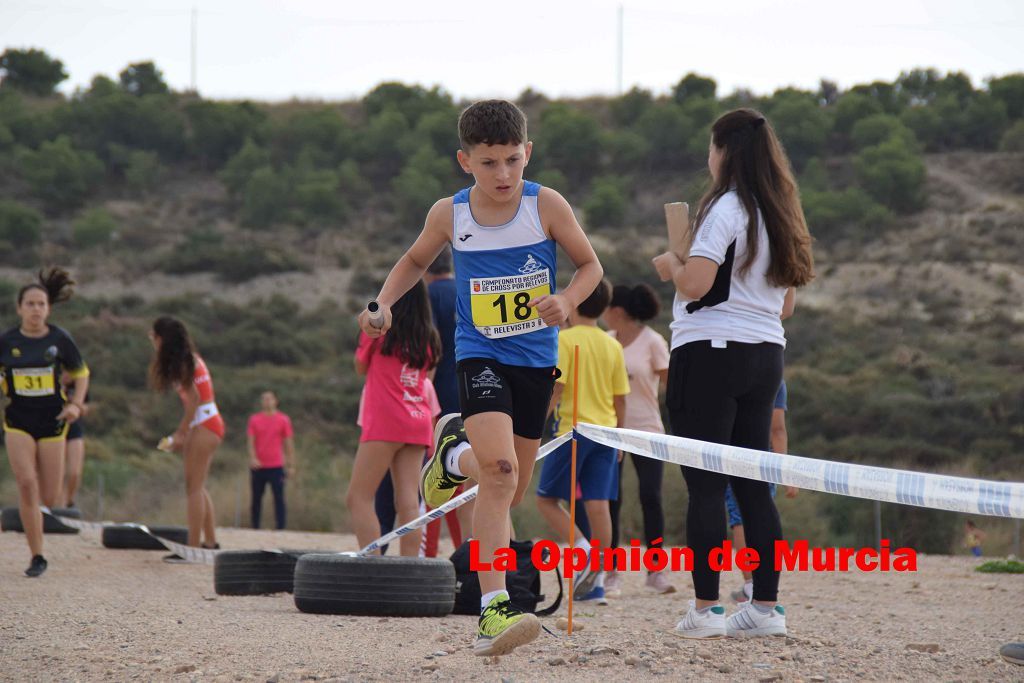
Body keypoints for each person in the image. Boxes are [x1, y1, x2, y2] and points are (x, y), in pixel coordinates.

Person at [358, 99, 602, 656]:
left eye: (513, 161)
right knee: (500, 472)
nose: (503, 175)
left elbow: (591, 266)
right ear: (465, 160)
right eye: (489, 163)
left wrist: (566, 298)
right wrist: (382, 304)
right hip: (479, 354)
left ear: (528, 153)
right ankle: (494, 610)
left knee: (509, 489)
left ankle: (450, 456)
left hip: (536, 361)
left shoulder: (546, 205)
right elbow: (415, 259)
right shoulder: (452, 213)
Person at [652, 108, 814, 639]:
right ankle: (765, 609)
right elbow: (785, 305)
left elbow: (696, 283)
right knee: (752, 487)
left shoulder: (727, 207)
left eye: (711, 148)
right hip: (766, 353)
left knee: (703, 484)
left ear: (724, 152)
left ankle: (704, 610)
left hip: (710, 350)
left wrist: (670, 267)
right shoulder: (783, 212)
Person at [536, 278, 629, 606]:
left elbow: (556, 388)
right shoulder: (613, 345)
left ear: (572, 304)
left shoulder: (564, 340)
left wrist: (535, 429)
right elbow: (621, 399)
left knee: (546, 500)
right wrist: (620, 438)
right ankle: (597, 582)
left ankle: (583, 549)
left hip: (572, 432)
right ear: (605, 308)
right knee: (599, 504)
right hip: (607, 433)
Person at [1, 268, 89, 577]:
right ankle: (37, 555)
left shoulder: (60, 339)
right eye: (30, 304)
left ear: (48, 308)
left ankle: (39, 525)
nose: (36, 309)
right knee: (26, 484)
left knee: (50, 496)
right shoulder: (7, 340)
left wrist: (76, 405)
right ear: (19, 308)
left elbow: (81, 374)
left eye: (41, 304)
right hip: (18, 420)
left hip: (53, 421)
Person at [346, 280, 440, 557]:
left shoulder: (378, 334)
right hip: (418, 418)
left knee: (358, 497)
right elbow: (427, 381)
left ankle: (373, 570)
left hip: (385, 421)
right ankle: (409, 569)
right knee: (409, 501)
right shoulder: (429, 338)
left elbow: (360, 367)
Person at [602, 283, 675, 597]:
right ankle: (611, 572)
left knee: (651, 497)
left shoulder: (653, 341)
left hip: (647, 429)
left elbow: (671, 384)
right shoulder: (606, 342)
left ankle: (655, 570)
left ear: (617, 311)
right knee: (611, 500)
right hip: (610, 430)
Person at [148, 316, 223, 559]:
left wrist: (180, 433)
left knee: (193, 489)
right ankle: (209, 542)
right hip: (209, 423)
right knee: (198, 486)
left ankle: (192, 549)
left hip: (204, 424)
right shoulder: (189, 359)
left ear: (160, 338)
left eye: (153, 336)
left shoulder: (183, 362)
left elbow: (193, 400)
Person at [728, 380, 799, 602]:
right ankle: (762, 585)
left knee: (738, 518)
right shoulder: (775, 377)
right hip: (764, 456)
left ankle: (750, 584)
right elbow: (777, 429)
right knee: (761, 513)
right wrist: (784, 471)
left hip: (728, 452)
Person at [247, 390, 295, 530]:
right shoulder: (254, 419)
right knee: (256, 499)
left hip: (276, 465)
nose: (267, 401)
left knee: (279, 498)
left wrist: (291, 464)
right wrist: (252, 458)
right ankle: (255, 527)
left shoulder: (283, 420)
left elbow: (288, 443)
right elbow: (250, 441)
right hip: (259, 466)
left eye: (270, 399)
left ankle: (281, 528)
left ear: (275, 401)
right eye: (264, 399)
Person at [62, 374, 90, 508]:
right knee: (56, 472)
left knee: (74, 472)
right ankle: (54, 503)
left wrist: (76, 404)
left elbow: (86, 407)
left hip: (74, 429)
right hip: (52, 430)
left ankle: (69, 502)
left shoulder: (79, 385)